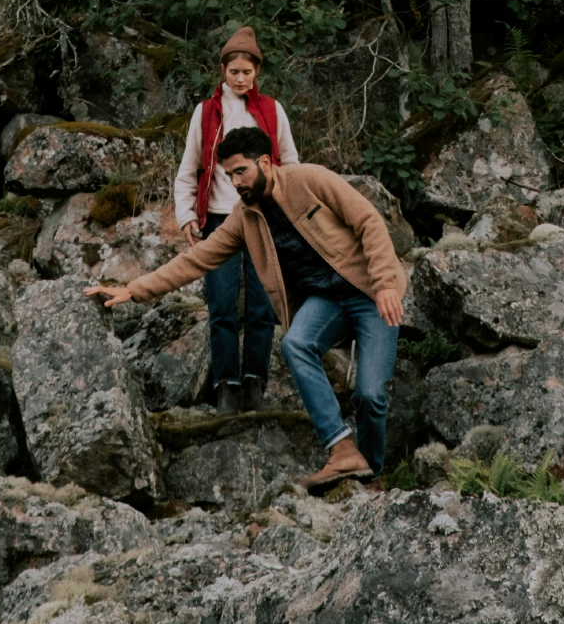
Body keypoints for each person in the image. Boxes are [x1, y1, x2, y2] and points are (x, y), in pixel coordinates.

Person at [90, 124, 405, 490]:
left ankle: (371, 472)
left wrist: (384, 283)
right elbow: (197, 259)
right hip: (326, 301)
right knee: (295, 343)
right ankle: (343, 450)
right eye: (229, 175)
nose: (236, 182)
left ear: (266, 163)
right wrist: (133, 290)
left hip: (369, 290)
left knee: (370, 394)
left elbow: (368, 220)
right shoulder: (245, 217)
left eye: (241, 171)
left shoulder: (310, 179)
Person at [172, 26, 297, 413]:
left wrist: (290, 214)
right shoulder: (206, 113)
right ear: (222, 71)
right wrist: (187, 216)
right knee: (222, 306)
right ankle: (225, 385)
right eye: (233, 72)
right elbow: (188, 170)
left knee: (263, 305)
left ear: (257, 71)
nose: (240, 79)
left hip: (263, 217)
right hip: (219, 222)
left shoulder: (272, 110)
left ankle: (255, 384)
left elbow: (290, 165)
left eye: (247, 72)